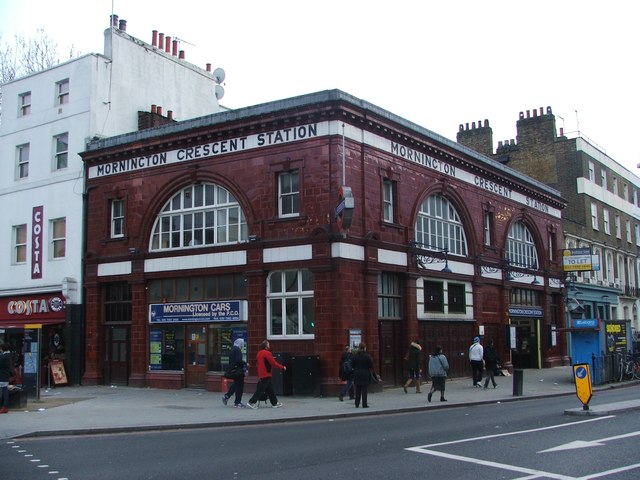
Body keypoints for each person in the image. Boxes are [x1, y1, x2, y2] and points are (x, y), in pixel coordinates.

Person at [247, 340, 286, 409]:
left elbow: (257, 364)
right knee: (260, 389)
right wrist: (282, 367)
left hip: (262, 373)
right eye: (268, 345)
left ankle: (274, 403)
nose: (269, 346)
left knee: (270, 389)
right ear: (266, 346)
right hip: (266, 373)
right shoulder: (267, 353)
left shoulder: (259, 353)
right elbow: (273, 363)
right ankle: (251, 402)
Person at [222, 338, 249, 408]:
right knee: (240, 387)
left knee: (236, 384)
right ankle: (237, 402)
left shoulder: (232, 349)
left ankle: (227, 396)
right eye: (242, 344)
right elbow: (238, 360)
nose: (242, 345)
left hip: (233, 370)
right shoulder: (237, 350)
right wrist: (245, 363)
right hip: (238, 371)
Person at [352, 342, 374, 408]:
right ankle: (364, 404)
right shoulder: (367, 356)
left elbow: (352, 365)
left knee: (357, 389)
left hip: (357, 373)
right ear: (364, 348)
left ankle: (357, 404)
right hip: (365, 374)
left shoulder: (355, 356)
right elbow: (371, 365)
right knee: (364, 390)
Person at [0, 343, 15, 414]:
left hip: (3, 376)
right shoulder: (7, 355)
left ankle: (5, 407)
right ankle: (4, 406)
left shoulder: (4, 356)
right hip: (5, 375)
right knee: (4, 390)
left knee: (4, 391)